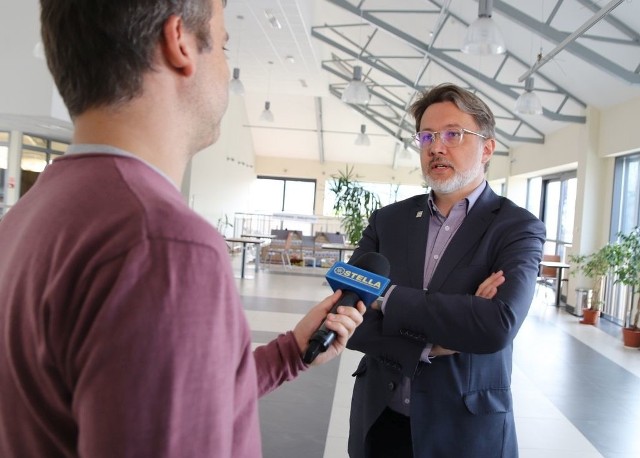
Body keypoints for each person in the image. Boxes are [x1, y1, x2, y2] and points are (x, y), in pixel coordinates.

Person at [0, 1, 365, 457]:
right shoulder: (162, 245)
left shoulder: (31, 215)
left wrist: (290, 352)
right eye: (225, 45)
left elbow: (165, 402)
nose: (227, 70)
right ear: (179, 43)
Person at [346, 83, 546, 458]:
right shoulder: (387, 221)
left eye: (453, 134)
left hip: (465, 430)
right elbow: (348, 314)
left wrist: (385, 298)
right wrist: (432, 341)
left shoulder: (516, 227)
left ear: (487, 148)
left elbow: (497, 325)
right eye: (426, 136)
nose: (436, 147)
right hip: (380, 420)